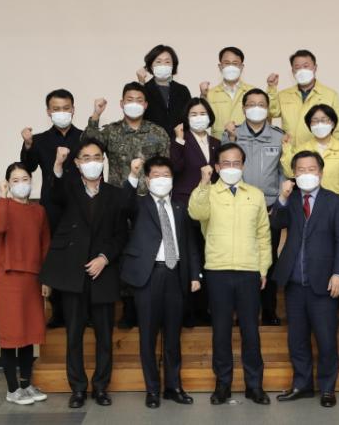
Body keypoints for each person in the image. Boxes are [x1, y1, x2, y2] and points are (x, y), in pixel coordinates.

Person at [38, 140, 128, 409]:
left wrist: (104, 258)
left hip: (103, 273)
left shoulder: (115, 194)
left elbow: (121, 234)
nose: (92, 162)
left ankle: (101, 387)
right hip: (73, 274)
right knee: (74, 335)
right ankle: (77, 388)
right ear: (77, 163)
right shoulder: (68, 189)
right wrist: (57, 164)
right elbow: (53, 193)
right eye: (86, 158)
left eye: (97, 157)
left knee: (104, 337)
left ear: (104, 161)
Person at [188, 143, 272, 406]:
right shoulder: (208, 193)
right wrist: (203, 183)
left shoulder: (255, 195)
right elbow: (196, 212)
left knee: (251, 331)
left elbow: (263, 235)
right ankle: (222, 385)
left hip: (249, 271)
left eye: (236, 163)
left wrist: (263, 268)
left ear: (243, 166)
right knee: (221, 331)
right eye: (226, 163)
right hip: (218, 270)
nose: (231, 168)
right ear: (217, 166)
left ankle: (254, 385)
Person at [82, 81, 170, 328]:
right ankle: (128, 309)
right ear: (121, 103)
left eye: (139, 100)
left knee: (148, 252)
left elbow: (166, 167)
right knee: (122, 252)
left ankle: (150, 306)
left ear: (146, 104)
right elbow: (86, 145)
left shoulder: (158, 132)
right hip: (118, 202)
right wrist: (95, 115)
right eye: (129, 99)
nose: (134, 104)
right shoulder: (111, 131)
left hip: (149, 202)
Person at [120, 156, 201, 408]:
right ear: (147, 179)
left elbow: (189, 244)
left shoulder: (179, 207)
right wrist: (132, 176)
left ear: (173, 179)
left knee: (173, 336)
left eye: (166, 175)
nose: (161, 179)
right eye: (155, 175)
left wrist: (194, 274)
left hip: (175, 275)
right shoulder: (139, 204)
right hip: (149, 276)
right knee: (148, 336)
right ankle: (152, 390)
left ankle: (173, 387)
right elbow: (123, 206)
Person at [271, 150, 339, 408]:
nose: (306, 173)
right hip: (294, 281)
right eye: (301, 170)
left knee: (326, 340)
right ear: (294, 174)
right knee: (297, 339)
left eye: (311, 169)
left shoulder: (335, 201)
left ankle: (327, 388)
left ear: (321, 172)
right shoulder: (291, 199)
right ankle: (302, 385)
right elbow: (275, 224)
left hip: (324, 282)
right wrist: (282, 198)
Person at [222, 87, 287, 325]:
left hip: (269, 209)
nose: (256, 108)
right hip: (238, 208)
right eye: (251, 104)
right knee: (241, 261)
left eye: (261, 104)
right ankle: (242, 312)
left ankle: (269, 311)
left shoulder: (279, 137)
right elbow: (224, 169)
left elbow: (283, 173)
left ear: (268, 109)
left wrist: (278, 204)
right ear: (243, 108)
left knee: (268, 260)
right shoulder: (232, 134)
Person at [20, 88, 82, 328]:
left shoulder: (84, 137)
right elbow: (28, 166)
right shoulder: (40, 140)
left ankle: (82, 312)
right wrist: (27, 144)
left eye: (66, 108)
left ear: (73, 109)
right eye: (56, 109)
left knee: (80, 255)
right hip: (52, 207)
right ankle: (58, 312)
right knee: (53, 256)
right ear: (48, 111)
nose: (61, 112)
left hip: (79, 204)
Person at [0, 162, 50, 405]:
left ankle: (26, 385)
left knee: (29, 333)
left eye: (25, 179)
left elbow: (45, 246)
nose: (21, 184)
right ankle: (12, 389)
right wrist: (3, 196)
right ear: (7, 183)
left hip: (33, 278)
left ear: (31, 181)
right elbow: (0, 226)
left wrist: (46, 279)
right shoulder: (2, 206)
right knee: (11, 334)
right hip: (9, 279)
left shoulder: (39, 211)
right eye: (15, 180)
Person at [172, 97, 221, 327]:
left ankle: (205, 309)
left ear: (209, 117)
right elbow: (175, 168)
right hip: (185, 205)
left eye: (202, 113)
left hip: (211, 207)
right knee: (188, 258)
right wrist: (179, 140)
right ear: (186, 118)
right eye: (193, 114)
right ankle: (187, 311)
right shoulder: (181, 140)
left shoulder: (216, 142)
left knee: (206, 257)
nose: (199, 118)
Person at [267, 49, 339, 147]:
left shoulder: (330, 95)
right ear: (292, 71)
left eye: (306, 66)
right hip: (291, 152)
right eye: (297, 67)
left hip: (318, 153)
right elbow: (272, 112)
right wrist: (272, 88)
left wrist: (333, 152)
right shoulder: (283, 95)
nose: (302, 70)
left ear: (315, 68)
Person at [200, 46, 278, 139]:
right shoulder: (210, 93)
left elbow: (267, 116)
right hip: (219, 144)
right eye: (227, 63)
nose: (231, 67)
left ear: (241, 67)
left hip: (248, 143)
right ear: (220, 67)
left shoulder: (252, 92)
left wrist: (271, 88)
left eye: (235, 63)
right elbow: (202, 122)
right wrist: (203, 96)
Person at [281, 104, 339, 197]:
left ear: (333, 123)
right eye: (315, 121)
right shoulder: (302, 149)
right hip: (308, 201)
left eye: (324, 120)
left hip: (337, 202)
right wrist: (286, 147)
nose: (319, 124)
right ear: (309, 125)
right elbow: (290, 173)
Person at [136, 44, 192, 138]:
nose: (163, 65)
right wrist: (141, 84)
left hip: (178, 142)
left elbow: (189, 119)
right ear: (150, 66)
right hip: (151, 142)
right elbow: (136, 117)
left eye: (167, 62)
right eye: (158, 62)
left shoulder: (182, 90)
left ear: (173, 66)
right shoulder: (144, 89)